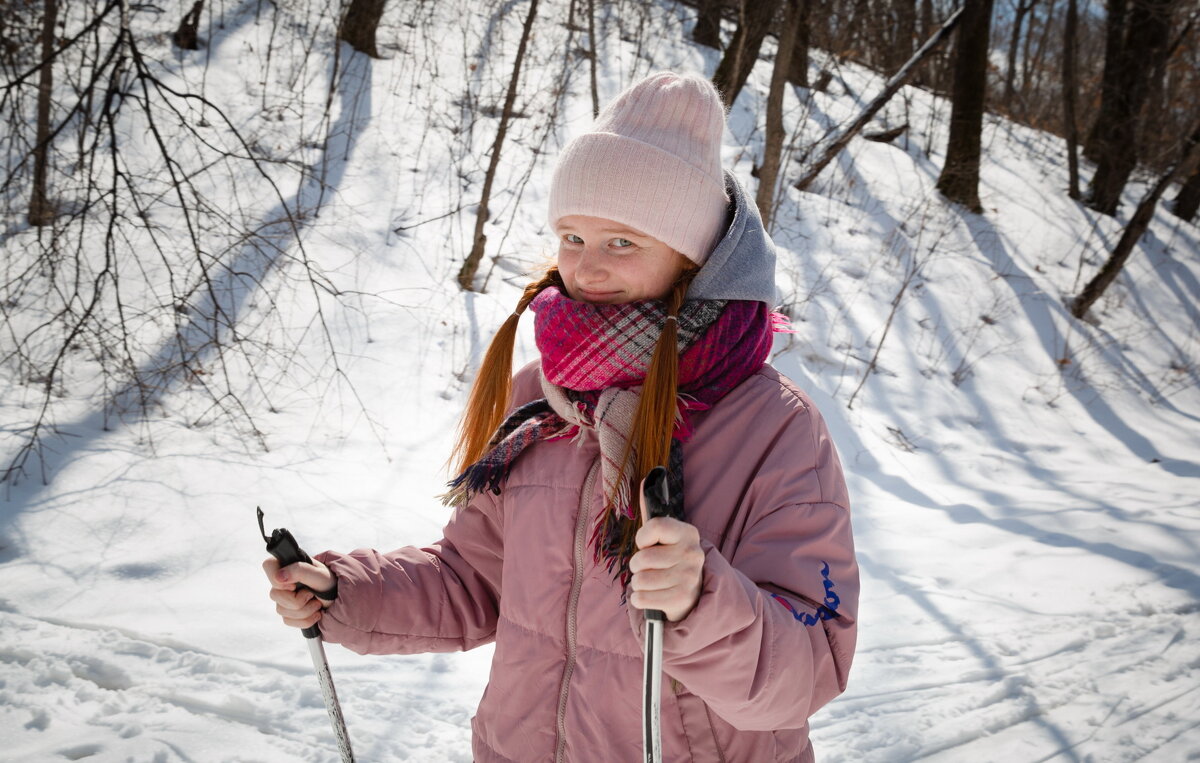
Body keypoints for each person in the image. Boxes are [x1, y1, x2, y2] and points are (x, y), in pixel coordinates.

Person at [265, 71, 858, 762]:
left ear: (693, 257)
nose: (587, 268)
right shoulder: (542, 402)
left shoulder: (774, 428)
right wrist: (345, 593)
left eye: (623, 242)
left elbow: (812, 658)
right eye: (572, 236)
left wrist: (703, 602)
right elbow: (472, 578)